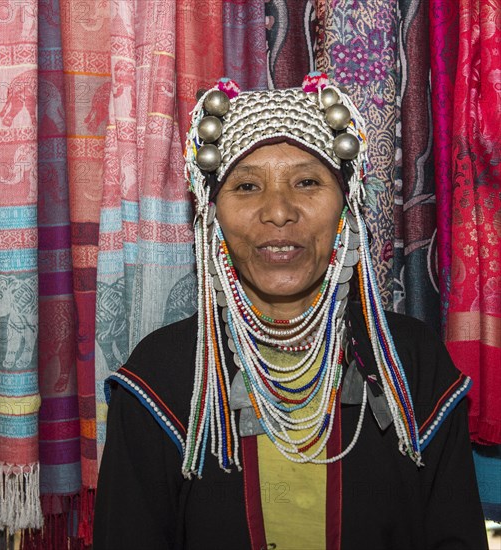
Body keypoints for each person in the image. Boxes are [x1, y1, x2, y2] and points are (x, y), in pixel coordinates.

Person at [93, 72, 488, 550]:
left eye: (306, 181)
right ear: (212, 215)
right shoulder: (164, 377)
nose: (279, 211)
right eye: (246, 187)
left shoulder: (411, 364)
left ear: (346, 206)